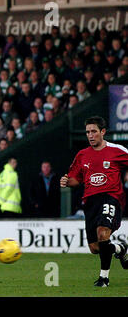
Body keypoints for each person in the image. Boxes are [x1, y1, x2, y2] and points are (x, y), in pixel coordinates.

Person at [60, 116, 127, 287]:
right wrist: (67, 181)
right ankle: (120, 248)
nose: (90, 135)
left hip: (111, 197)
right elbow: (75, 179)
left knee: (102, 232)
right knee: (95, 248)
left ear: (102, 132)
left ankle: (104, 278)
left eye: (94, 131)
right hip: (90, 202)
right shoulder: (82, 155)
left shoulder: (116, 150)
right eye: (88, 132)